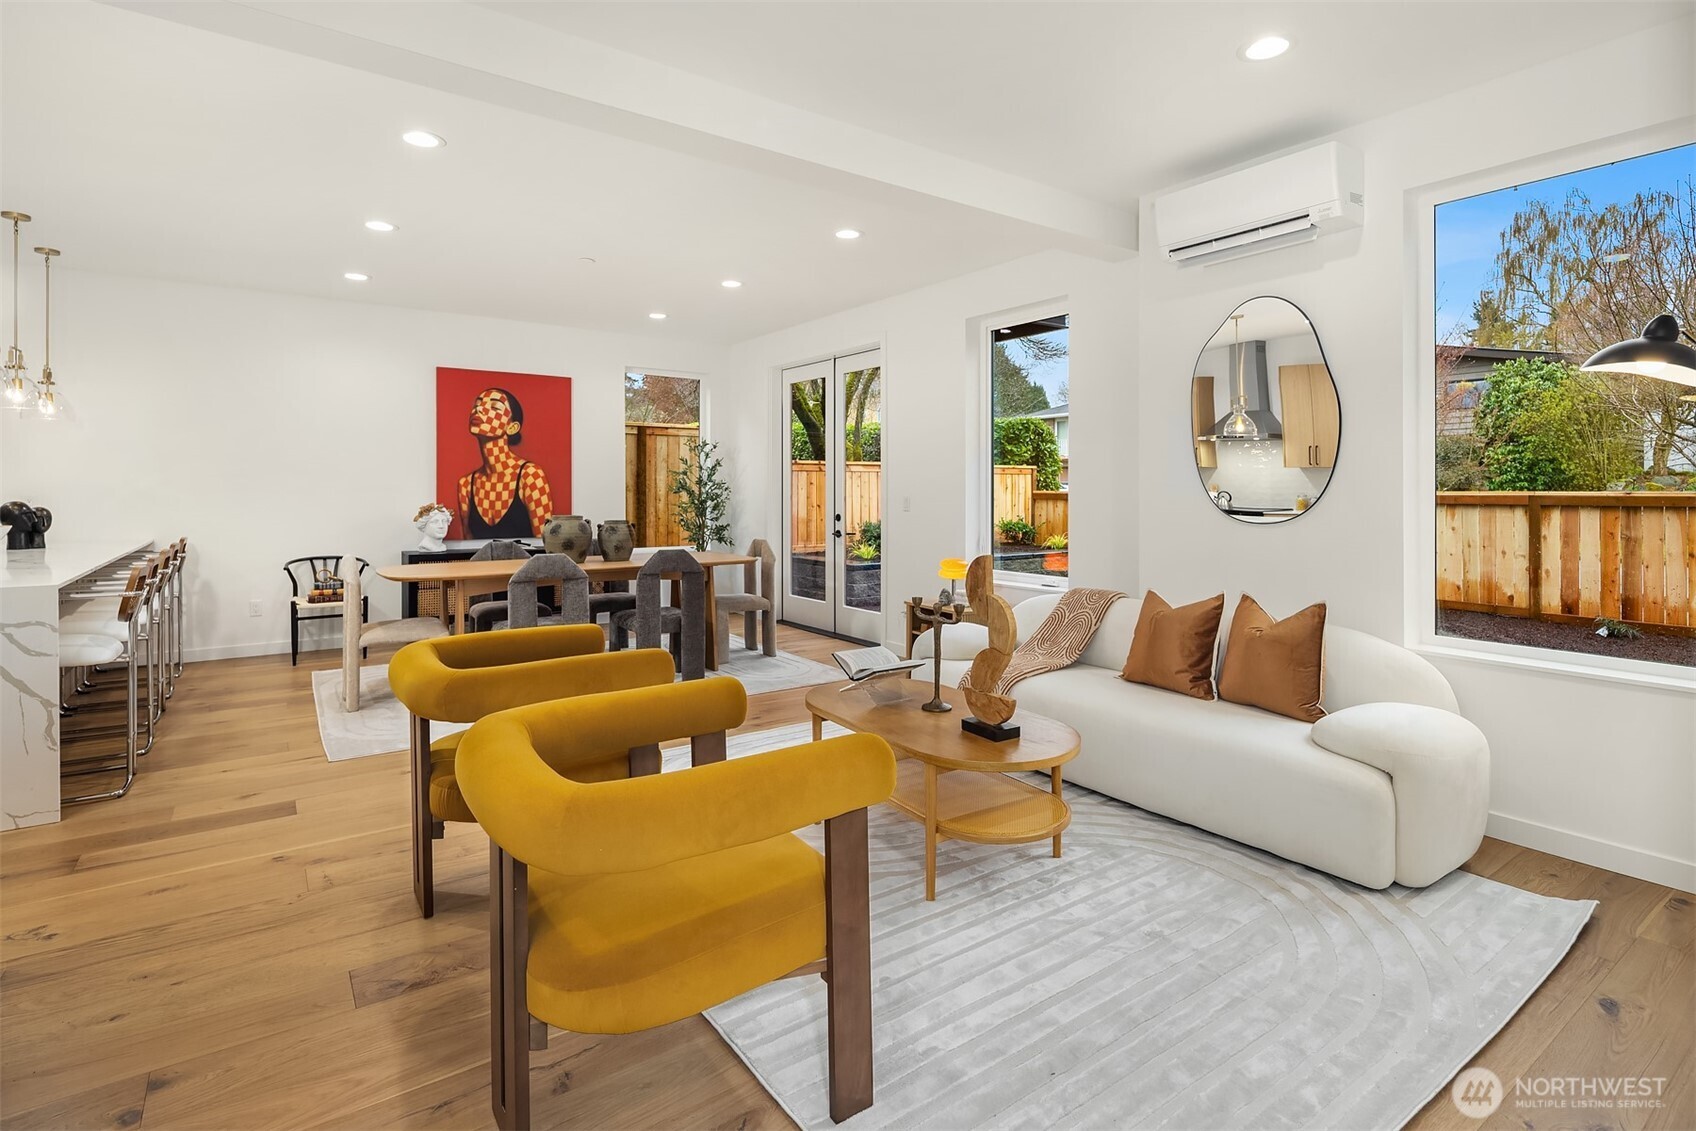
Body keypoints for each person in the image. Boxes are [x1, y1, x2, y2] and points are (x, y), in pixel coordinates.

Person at [455, 388, 553, 538]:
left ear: (512, 427)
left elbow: (545, 544)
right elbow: (470, 547)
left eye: (494, 407)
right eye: (477, 405)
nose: (479, 409)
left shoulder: (531, 476)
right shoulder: (466, 485)